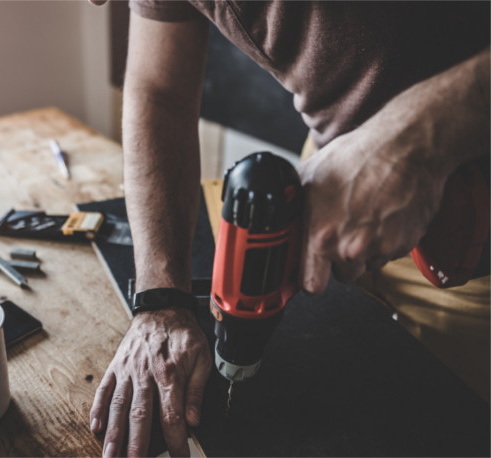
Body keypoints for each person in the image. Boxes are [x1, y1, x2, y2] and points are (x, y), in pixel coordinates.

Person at [87, 1, 490, 456]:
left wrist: (414, 139)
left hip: (471, 247)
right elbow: (161, 92)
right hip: (335, 183)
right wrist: (161, 299)